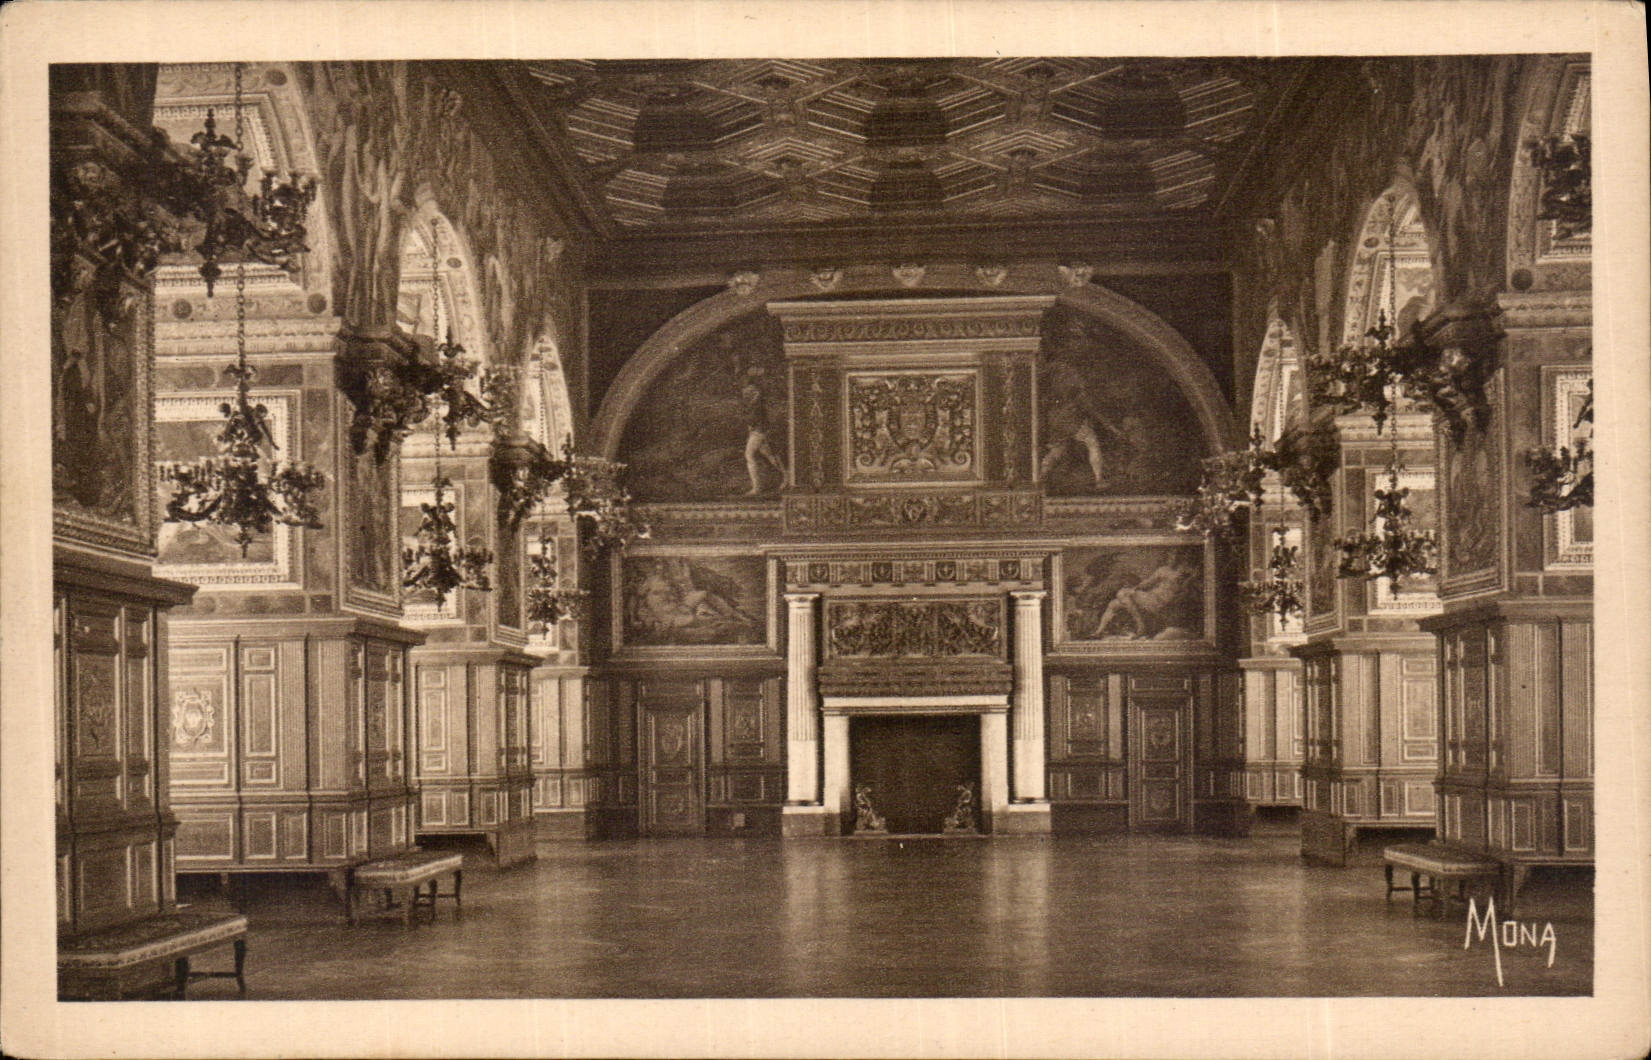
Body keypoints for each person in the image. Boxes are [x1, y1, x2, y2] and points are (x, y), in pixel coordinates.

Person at [1093, 559, 1197, 639]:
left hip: (1157, 601)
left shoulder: (1180, 574)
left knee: (1122, 593)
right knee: (1113, 603)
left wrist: (1132, 589)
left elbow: (1147, 584)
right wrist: (1134, 589)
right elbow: (1146, 584)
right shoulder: (1170, 572)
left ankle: (1140, 625)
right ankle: (1098, 632)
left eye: (1187, 565)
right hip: (1151, 598)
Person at [741, 365, 787, 495]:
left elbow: (756, 420)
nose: (746, 395)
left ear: (754, 393)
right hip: (757, 431)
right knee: (770, 455)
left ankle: (756, 487)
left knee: (749, 455)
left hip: (759, 431)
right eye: (745, 393)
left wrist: (754, 429)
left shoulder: (757, 403)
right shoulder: (752, 404)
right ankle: (787, 476)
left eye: (749, 393)